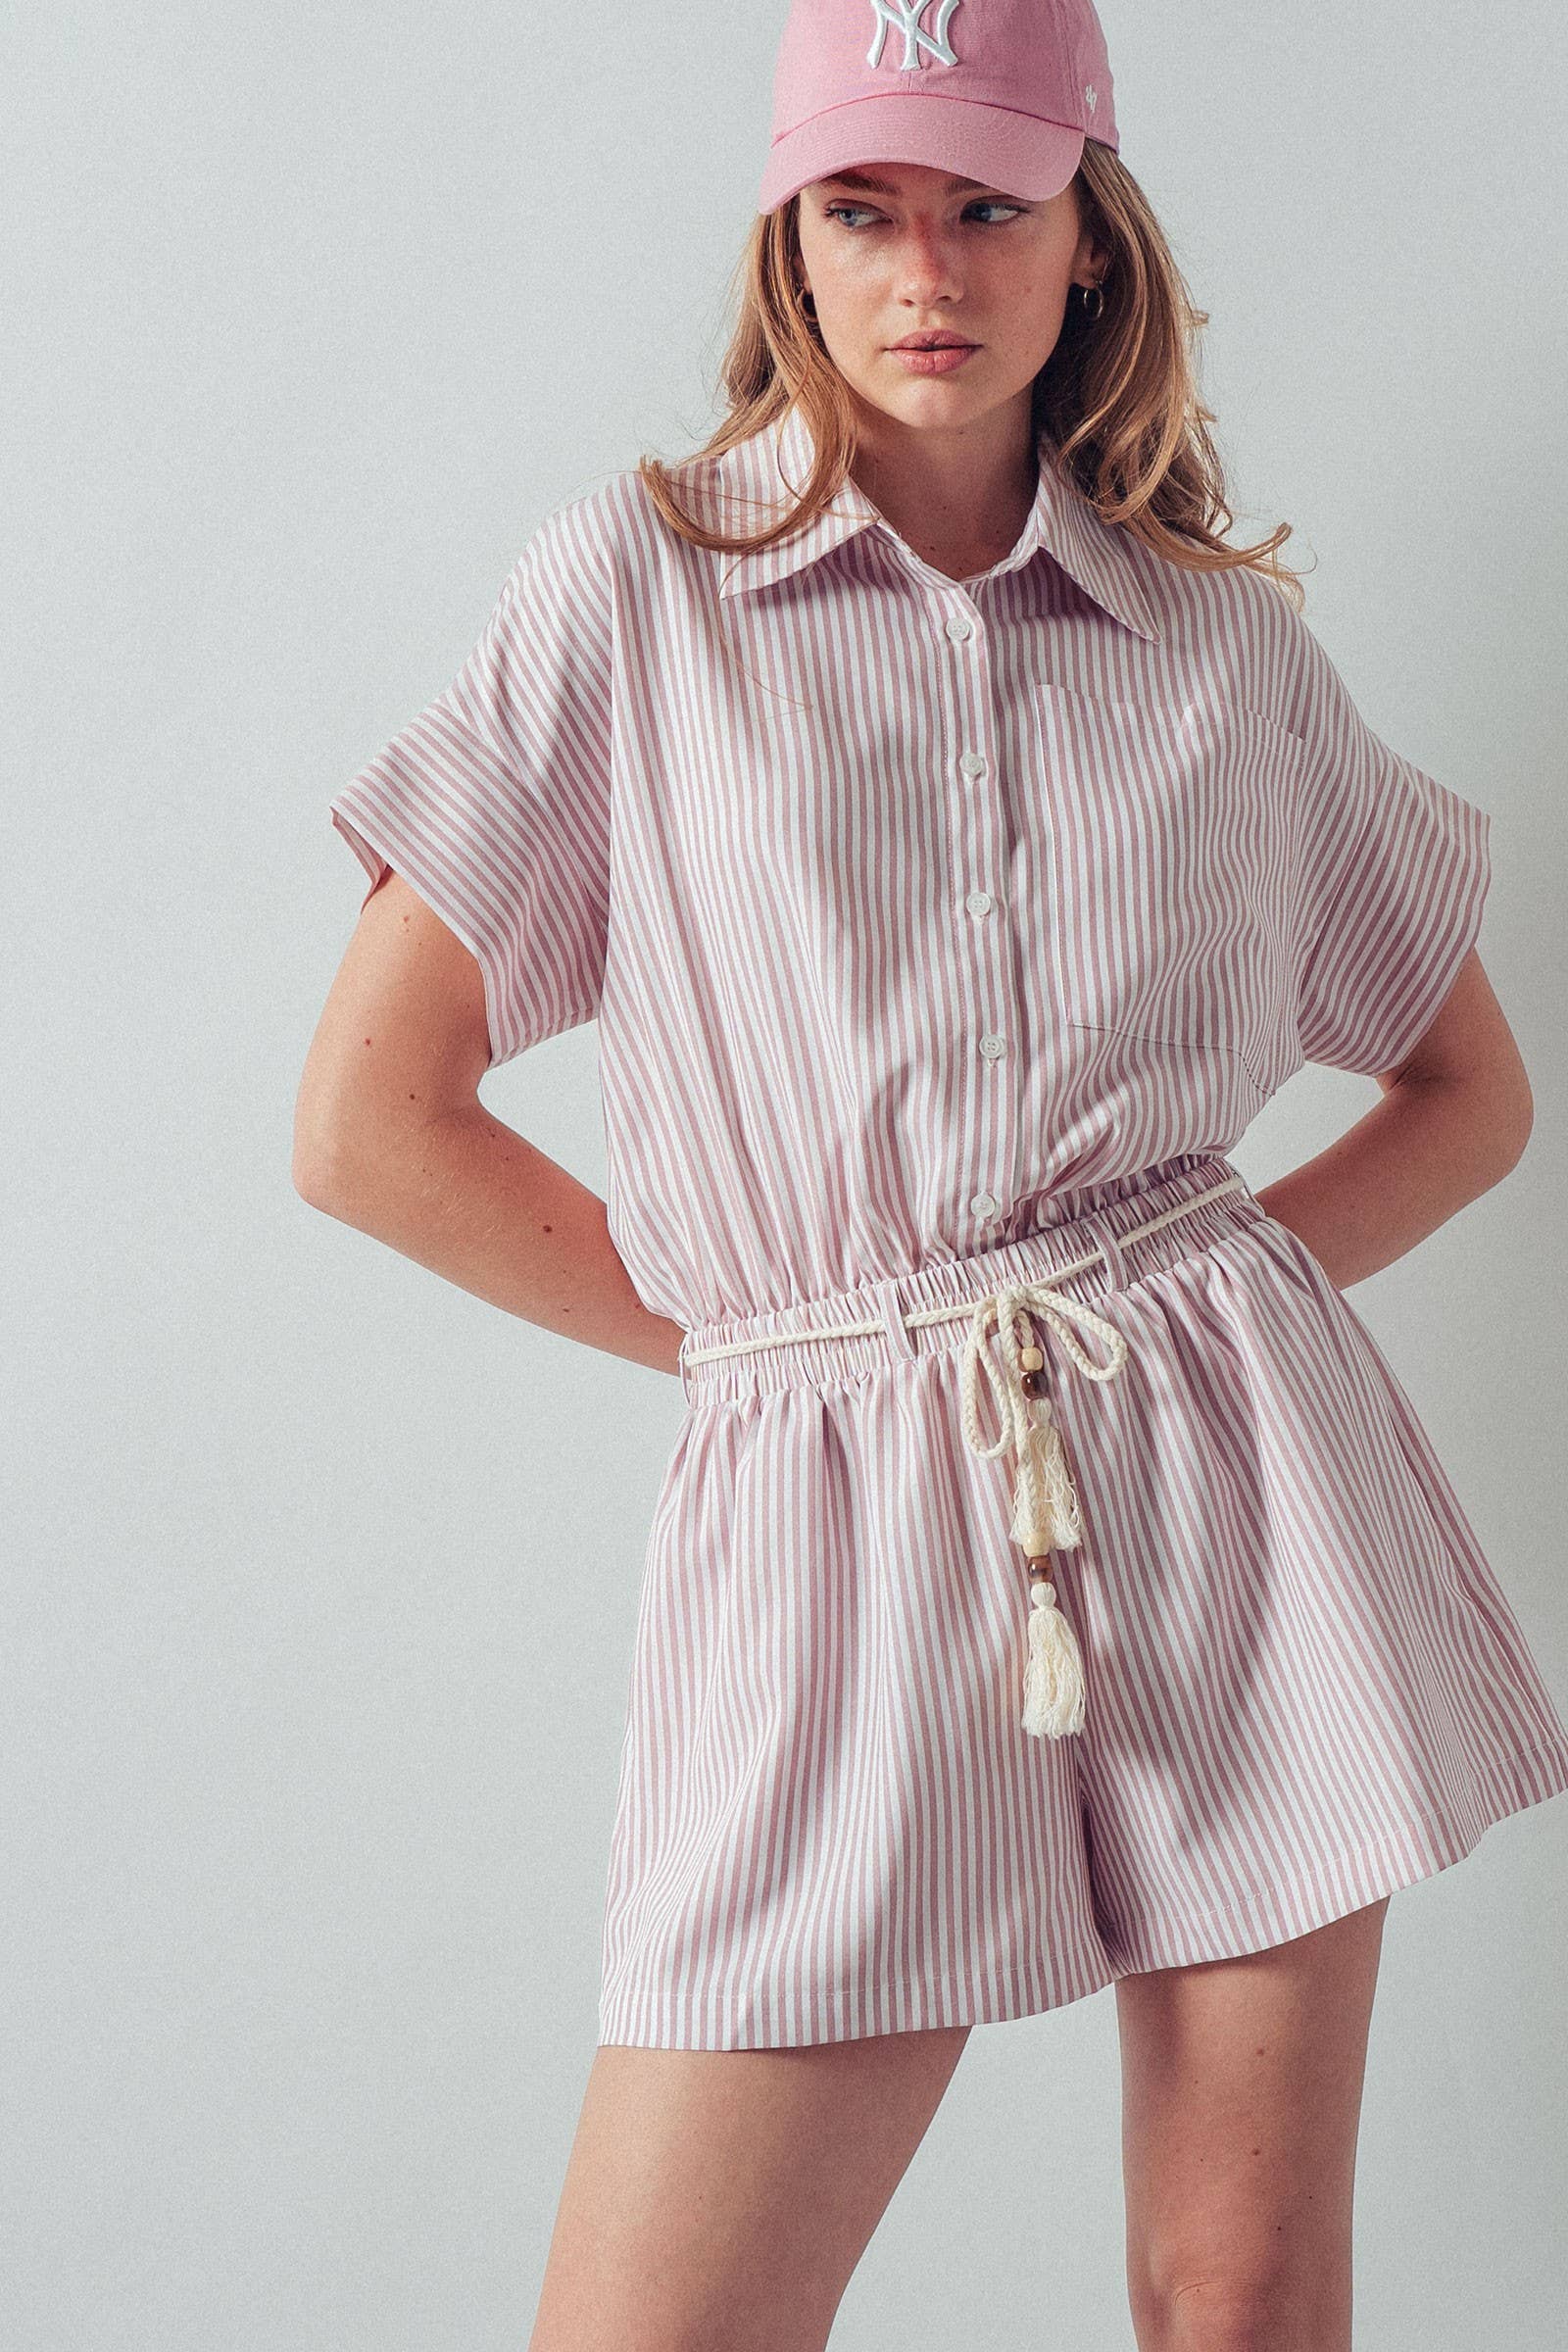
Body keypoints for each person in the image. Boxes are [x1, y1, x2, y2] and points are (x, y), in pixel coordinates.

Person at [294, 2, 1568, 2345]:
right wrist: (768, 1351)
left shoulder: (1216, 645)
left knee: (1237, 2295)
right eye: (862, 208)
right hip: (836, 1508)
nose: (926, 269)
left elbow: (1463, 1089)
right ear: (787, 237)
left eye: (987, 203)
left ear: (1087, 237)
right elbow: (369, 1124)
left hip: (1230, 1485)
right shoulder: (634, 591)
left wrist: (1208, 1325)